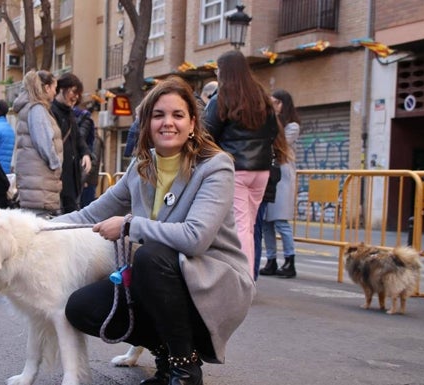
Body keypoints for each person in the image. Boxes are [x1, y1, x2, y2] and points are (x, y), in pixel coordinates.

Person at [55, 77, 254, 385]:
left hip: (211, 283)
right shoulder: (141, 167)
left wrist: (129, 224)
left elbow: (195, 239)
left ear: (192, 123)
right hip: (160, 280)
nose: (167, 123)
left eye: (178, 115)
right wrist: (33, 227)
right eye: (158, 115)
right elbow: (89, 214)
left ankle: (185, 368)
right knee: (80, 307)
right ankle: (166, 355)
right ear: (147, 123)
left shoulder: (215, 166)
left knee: (150, 256)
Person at [204, 50, 278, 279]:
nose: (217, 72)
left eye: (218, 69)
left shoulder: (222, 98)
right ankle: (248, 276)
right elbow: (274, 131)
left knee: (240, 227)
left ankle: (242, 280)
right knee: (250, 225)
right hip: (261, 170)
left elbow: (206, 134)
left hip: (235, 169)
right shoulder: (261, 98)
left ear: (225, 71)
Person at [260, 89, 301, 278]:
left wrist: (273, 117)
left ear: (283, 104)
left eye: (275, 102)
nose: (272, 106)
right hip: (268, 174)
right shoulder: (270, 122)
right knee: (266, 222)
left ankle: (290, 261)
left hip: (283, 176)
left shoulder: (292, 126)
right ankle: (271, 260)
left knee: (280, 221)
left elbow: (279, 142)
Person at [12, 70, 63, 217]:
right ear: (46, 88)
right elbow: (44, 143)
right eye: (54, 87)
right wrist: (55, 165)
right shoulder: (37, 109)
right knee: (42, 226)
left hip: (33, 181)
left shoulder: (28, 108)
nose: (55, 92)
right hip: (41, 182)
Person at [50, 72, 92, 213]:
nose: (76, 97)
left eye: (78, 94)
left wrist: (85, 153)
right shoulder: (51, 112)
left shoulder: (70, 114)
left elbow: (78, 137)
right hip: (57, 175)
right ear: (62, 88)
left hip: (71, 176)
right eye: (73, 92)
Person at [74, 104, 102, 207]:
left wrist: (84, 179)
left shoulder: (94, 141)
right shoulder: (90, 140)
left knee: (85, 208)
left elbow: (93, 160)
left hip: (88, 181)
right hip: (85, 179)